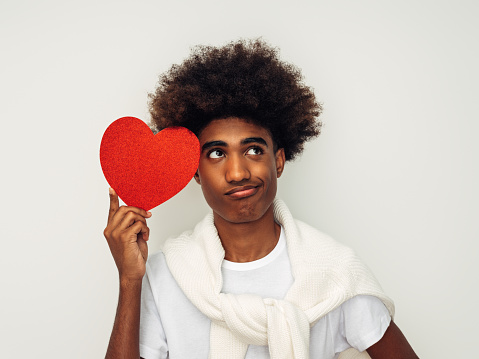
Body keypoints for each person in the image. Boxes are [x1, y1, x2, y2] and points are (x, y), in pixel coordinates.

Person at [104, 39, 419, 359]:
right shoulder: (166, 274)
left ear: (279, 161)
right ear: (195, 172)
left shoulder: (333, 272)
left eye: (254, 150)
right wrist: (130, 280)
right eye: (216, 153)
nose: (238, 172)